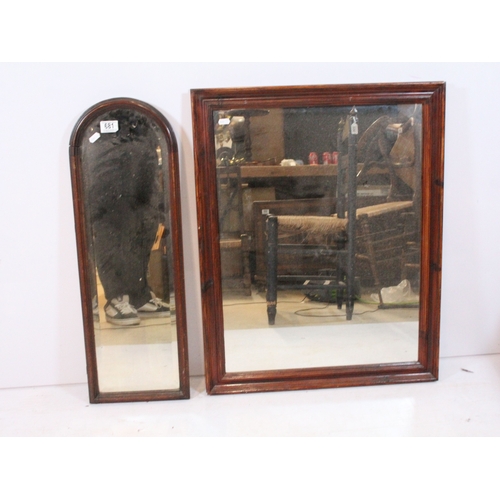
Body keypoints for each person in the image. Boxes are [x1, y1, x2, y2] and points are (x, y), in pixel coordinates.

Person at [81, 108, 169, 326]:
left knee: (145, 223)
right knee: (112, 225)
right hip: (108, 142)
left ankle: (139, 295)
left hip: (141, 140)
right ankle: (116, 297)